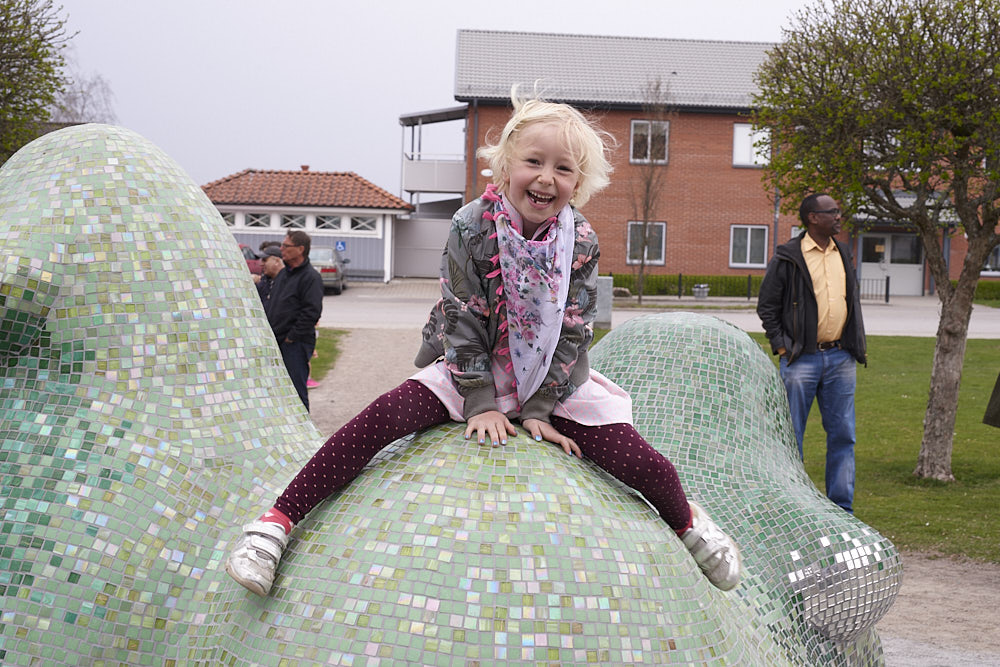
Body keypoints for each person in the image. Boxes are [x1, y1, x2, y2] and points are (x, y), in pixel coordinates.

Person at [226, 93, 742, 597]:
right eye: (533, 162)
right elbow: (461, 314)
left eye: (563, 169)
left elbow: (573, 325)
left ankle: (687, 523)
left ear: (578, 183)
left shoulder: (580, 239)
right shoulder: (470, 225)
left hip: (549, 375)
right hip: (471, 363)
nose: (546, 178)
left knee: (640, 460)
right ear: (503, 166)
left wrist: (540, 406)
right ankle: (275, 522)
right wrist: (479, 400)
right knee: (379, 420)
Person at [757, 193, 867, 513]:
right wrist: (781, 346)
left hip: (840, 358)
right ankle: (791, 508)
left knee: (843, 436)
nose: (839, 216)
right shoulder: (788, 257)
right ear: (813, 218)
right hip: (800, 360)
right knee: (791, 439)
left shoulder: (843, 253)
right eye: (832, 212)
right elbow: (767, 307)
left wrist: (853, 346)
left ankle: (841, 510)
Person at [264, 230, 323, 411]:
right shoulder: (283, 275)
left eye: (286, 246)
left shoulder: (310, 277)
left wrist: (292, 337)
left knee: (296, 392)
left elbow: (312, 312)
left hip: (295, 344)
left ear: (300, 249)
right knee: (278, 391)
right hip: (277, 341)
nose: (281, 249)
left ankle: (305, 433)